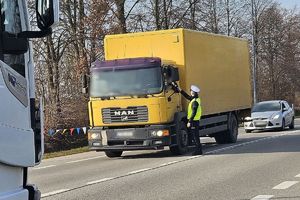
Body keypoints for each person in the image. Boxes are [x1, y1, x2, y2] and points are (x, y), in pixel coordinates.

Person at [171, 82, 203, 155]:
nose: (190, 92)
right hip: (195, 121)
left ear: (193, 92)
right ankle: (199, 149)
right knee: (195, 136)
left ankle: (198, 150)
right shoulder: (195, 99)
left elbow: (194, 112)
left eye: (191, 91)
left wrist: (189, 121)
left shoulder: (195, 102)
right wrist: (180, 90)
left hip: (194, 121)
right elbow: (188, 97)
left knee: (195, 136)